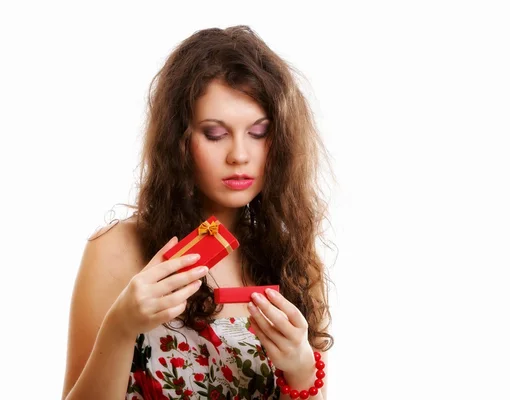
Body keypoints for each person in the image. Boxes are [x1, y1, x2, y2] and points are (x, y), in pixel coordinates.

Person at [61, 25, 334, 400]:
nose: (239, 155)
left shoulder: (293, 262)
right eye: (215, 133)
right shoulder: (118, 250)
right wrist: (121, 327)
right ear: (180, 141)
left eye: (258, 132)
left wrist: (301, 368)